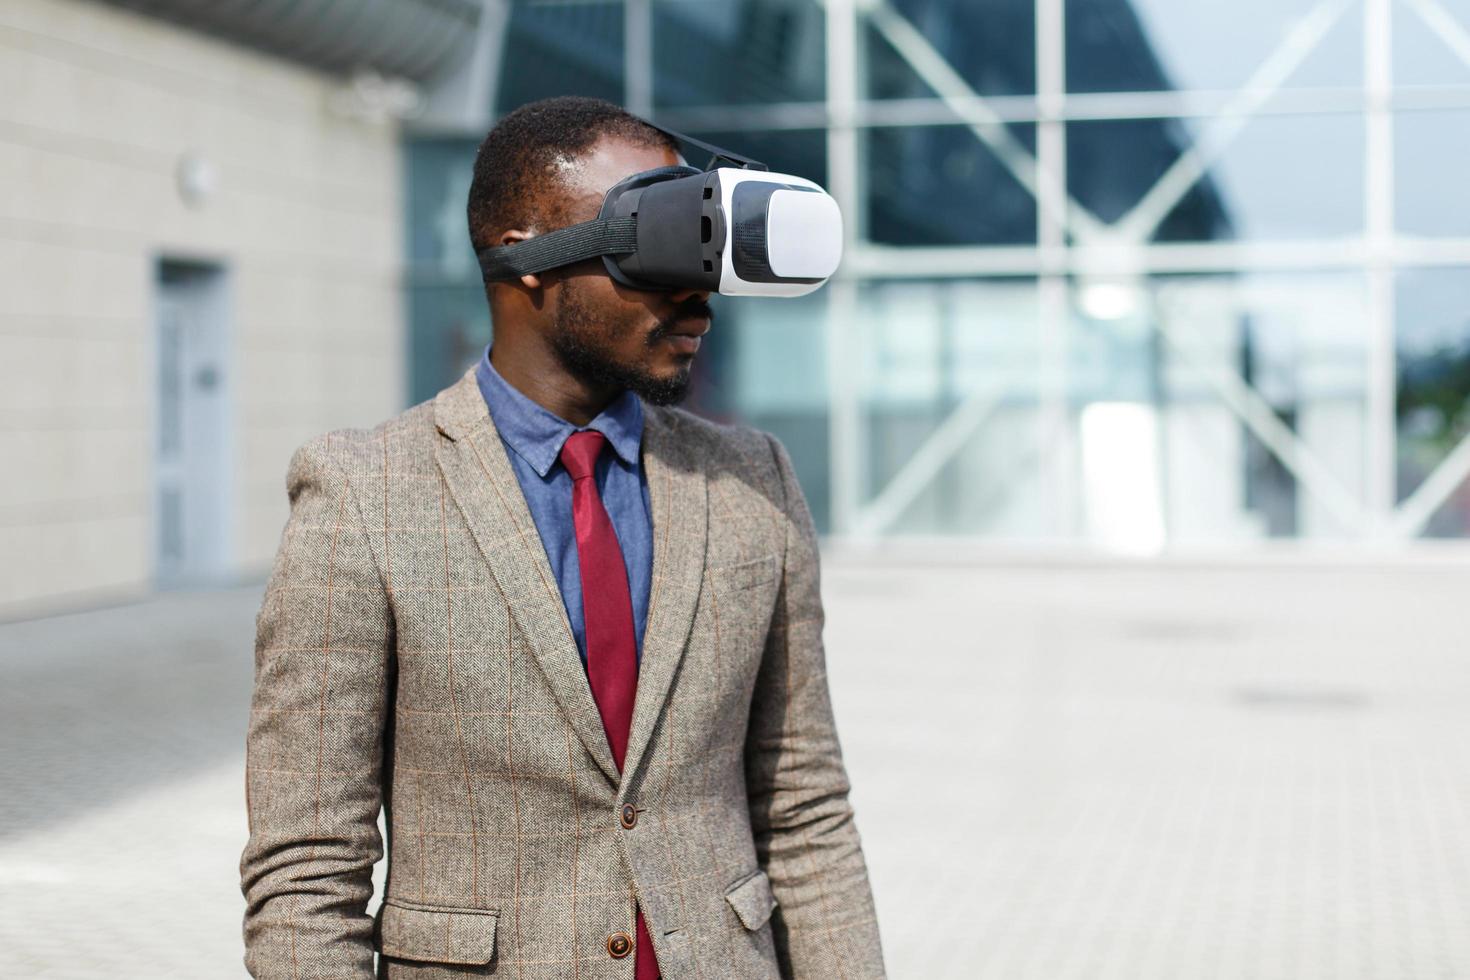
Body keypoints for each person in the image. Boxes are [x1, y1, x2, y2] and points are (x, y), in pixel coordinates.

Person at [239, 95, 885, 979]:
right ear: (525, 258)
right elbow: (308, 867)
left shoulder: (752, 482)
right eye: (658, 252)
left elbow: (805, 811)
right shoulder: (363, 497)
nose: (697, 297)